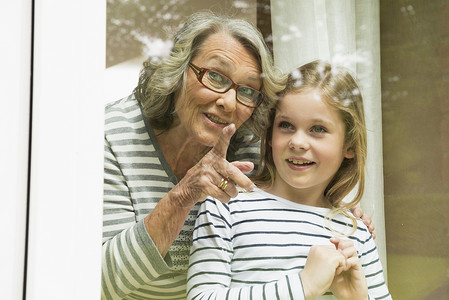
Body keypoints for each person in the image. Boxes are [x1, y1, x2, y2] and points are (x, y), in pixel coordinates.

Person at [102, 10, 375, 299]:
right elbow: (95, 283)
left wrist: (340, 218)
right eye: (216, 76)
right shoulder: (113, 136)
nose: (229, 102)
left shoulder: (245, 142)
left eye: (247, 90)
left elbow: (295, 196)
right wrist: (182, 197)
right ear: (179, 70)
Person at [187, 60, 391, 299]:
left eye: (318, 129)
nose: (298, 142)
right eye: (286, 125)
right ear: (270, 135)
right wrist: (303, 287)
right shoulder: (226, 203)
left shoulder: (356, 233)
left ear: (348, 145)